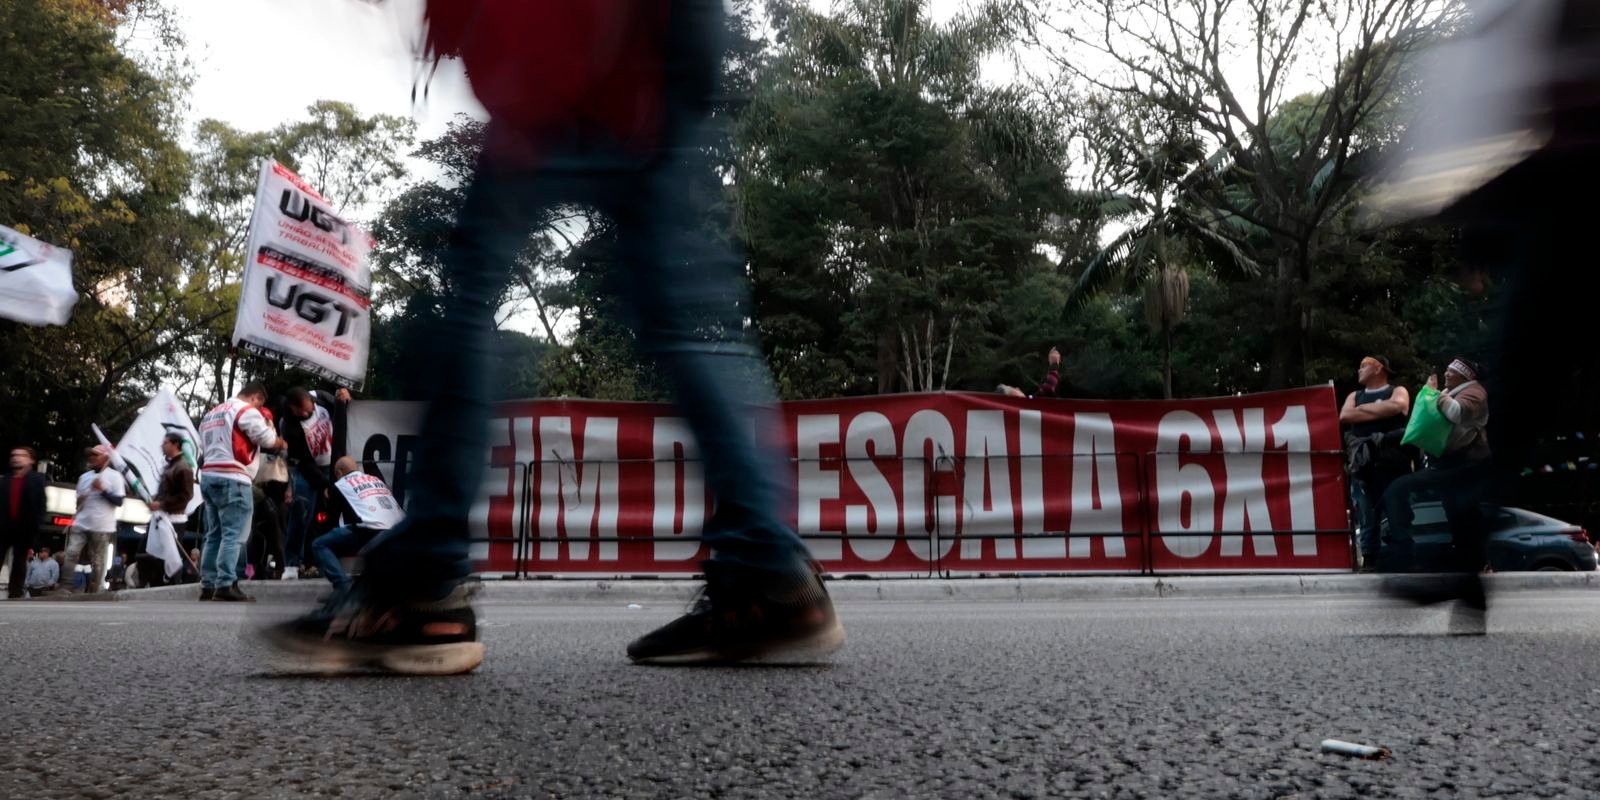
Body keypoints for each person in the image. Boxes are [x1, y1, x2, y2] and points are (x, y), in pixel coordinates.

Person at [266, 0, 842, 673]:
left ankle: (421, 585)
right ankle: (768, 574)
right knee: (689, 326)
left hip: (553, 69)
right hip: (640, 76)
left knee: (468, 308)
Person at [1381, 358, 1492, 624]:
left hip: (1465, 467)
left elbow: (1456, 413)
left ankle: (1408, 556)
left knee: (1400, 491)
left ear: (1465, 375)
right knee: (1459, 517)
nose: (1446, 374)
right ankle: (1469, 576)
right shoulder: (1454, 390)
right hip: (1448, 465)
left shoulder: (1474, 391)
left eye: (1451, 371)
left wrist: (1433, 395)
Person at [197, 382, 287, 602]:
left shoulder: (211, 414)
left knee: (214, 534)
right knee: (234, 534)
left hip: (209, 476)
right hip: (233, 477)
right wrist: (278, 439)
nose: (259, 408)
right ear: (255, 398)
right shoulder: (245, 410)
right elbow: (267, 440)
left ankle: (208, 584)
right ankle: (226, 584)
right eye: (259, 403)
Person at [1338, 356, 1412, 571]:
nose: (1359, 370)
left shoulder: (1397, 391)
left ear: (1378, 368)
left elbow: (1398, 406)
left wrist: (1361, 411)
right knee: (1366, 514)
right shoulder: (1354, 395)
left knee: (1398, 512)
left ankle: (1404, 558)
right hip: (1363, 465)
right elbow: (1345, 415)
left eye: (1363, 366)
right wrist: (1380, 408)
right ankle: (1369, 559)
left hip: (1393, 463)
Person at [280, 387, 350, 578]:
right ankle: (292, 564)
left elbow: (342, 410)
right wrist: (325, 484)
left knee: (338, 512)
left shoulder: (320, 398)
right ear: (292, 409)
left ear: (311, 400)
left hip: (332, 463)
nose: (304, 414)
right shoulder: (288, 425)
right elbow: (304, 462)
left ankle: (333, 561)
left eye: (307, 409)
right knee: (300, 511)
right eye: (299, 411)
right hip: (307, 469)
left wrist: (345, 398)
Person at [310, 457, 405, 592]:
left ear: (339, 473)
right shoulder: (376, 480)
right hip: (399, 531)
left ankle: (344, 588)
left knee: (319, 544)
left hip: (371, 531)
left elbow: (332, 519)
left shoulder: (340, 485)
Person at [62, 446, 125, 595]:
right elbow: (78, 502)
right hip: (81, 523)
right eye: (90, 455)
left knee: (97, 560)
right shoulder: (84, 477)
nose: (91, 457)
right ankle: (65, 586)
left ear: (105, 457)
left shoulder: (115, 476)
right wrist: (80, 501)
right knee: (71, 553)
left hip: (101, 526)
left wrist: (102, 490)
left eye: (95, 455)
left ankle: (95, 588)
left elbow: (119, 501)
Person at [1, 446, 49, 599]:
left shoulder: (37, 480)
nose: (16, 458)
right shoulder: (5, 480)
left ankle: (15, 593)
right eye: (14, 455)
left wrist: (37, 526)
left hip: (24, 528)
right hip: (3, 527)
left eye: (22, 455)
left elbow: (41, 505)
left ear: (31, 460)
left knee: (19, 562)